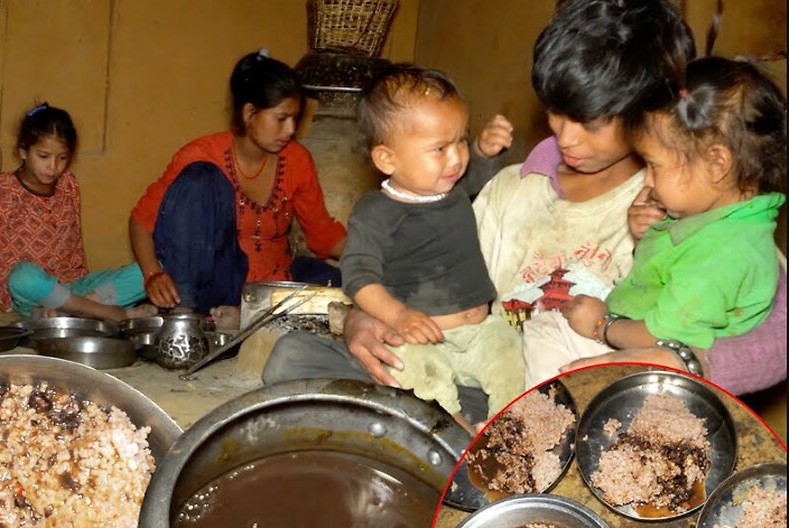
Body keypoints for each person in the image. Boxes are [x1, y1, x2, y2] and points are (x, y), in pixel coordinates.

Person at [264, 0, 787, 408]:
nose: (566, 137)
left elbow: (773, 320)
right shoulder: (514, 186)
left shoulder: (686, 209)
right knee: (294, 355)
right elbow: (417, 272)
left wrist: (679, 360)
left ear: (648, 111)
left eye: (589, 120)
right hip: (469, 370)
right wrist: (360, 318)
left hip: (575, 400)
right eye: (556, 113)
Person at [554, 57, 785, 382]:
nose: (647, 181)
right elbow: (672, 269)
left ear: (717, 164)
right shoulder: (726, 220)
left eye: (654, 165)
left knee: (546, 346)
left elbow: (659, 336)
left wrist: (601, 326)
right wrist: (648, 236)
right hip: (630, 329)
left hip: (635, 348)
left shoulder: (720, 255)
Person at [342, 63, 520, 429]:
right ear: (387, 158)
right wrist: (398, 316)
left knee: (511, 351)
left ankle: (505, 425)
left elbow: (476, 177)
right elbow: (358, 277)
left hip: (480, 332)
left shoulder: (452, 190)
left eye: (460, 140)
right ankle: (451, 425)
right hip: (422, 338)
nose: (456, 157)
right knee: (409, 368)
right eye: (439, 148)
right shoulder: (376, 212)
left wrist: (484, 151)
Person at [129, 50, 347, 321]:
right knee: (200, 177)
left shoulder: (297, 160)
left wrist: (374, 262)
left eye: (295, 118)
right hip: (215, 287)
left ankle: (248, 316)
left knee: (341, 289)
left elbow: (323, 234)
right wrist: (153, 275)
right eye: (281, 118)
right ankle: (186, 318)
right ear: (249, 112)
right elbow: (141, 221)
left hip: (271, 288)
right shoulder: (201, 155)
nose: (291, 129)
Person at [0, 103, 156, 322]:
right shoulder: (5, 188)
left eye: (62, 158)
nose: (53, 167)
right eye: (43, 156)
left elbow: (74, 241)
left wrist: (84, 282)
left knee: (151, 270)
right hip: (34, 294)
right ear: (23, 152)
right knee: (22, 277)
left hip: (73, 287)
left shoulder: (68, 184)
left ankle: (72, 310)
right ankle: (103, 311)